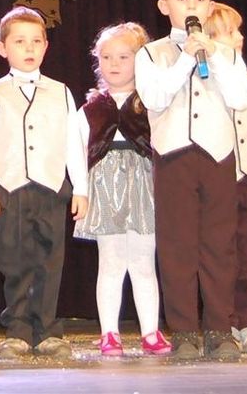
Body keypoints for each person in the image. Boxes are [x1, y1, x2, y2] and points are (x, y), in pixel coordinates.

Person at [135, 0, 247, 361]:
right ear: (164, 6)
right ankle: (184, 329)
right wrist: (186, 58)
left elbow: (241, 98)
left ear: (210, 6)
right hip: (173, 157)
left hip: (217, 155)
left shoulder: (226, 54)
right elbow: (154, 97)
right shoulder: (151, 53)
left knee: (220, 244)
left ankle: (220, 328)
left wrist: (212, 56)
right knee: (177, 245)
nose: (191, 6)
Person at [0, 6, 89, 360]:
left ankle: (48, 329)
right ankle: (18, 329)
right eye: (20, 41)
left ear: (46, 46)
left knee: (50, 260)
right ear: (2, 48)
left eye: (36, 41)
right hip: (12, 188)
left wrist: (80, 188)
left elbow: (73, 143)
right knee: (15, 260)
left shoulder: (61, 91)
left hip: (51, 187)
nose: (29, 48)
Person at [72, 22, 169, 357]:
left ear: (140, 60)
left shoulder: (152, 104)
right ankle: (109, 333)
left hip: (144, 184)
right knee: (111, 262)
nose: (113, 64)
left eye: (123, 57)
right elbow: (76, 153)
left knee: (143, 262)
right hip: (105, 184)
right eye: (106, 57)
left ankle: (150, 331)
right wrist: (81, 191)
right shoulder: (90, 108)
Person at [206, 1, 247, 354]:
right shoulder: (203, 82)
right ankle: (224, 319)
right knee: (221, 254)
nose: (240, 37)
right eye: (231, 32)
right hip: (220, 178)